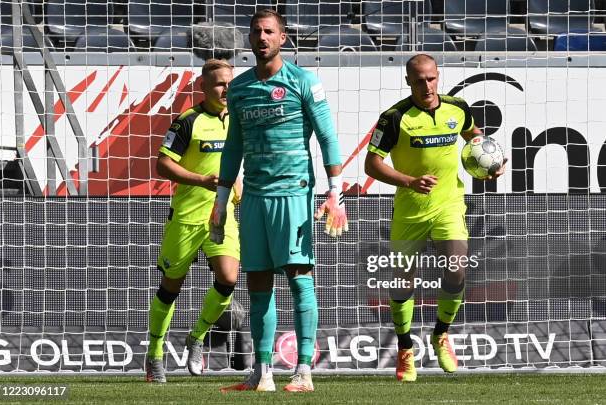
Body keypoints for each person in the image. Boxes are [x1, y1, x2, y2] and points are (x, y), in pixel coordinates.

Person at [209, 9, 348, 393]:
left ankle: (304, 371)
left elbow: (327, 137)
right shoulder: (238, 89)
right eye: (256, 31)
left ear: (283, 37)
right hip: (253, 196)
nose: (262, 37)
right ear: (249, 39)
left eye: (269, 31)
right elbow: (233, 146)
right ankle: (263, 371)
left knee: (299, 276)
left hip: (293, 194)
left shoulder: (303, 82)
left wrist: (335, 193)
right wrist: (221, 200)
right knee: (257, 282)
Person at [364, 54, 506, 382]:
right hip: (410, 210)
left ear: (438, 76)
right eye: (418, 80)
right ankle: (404, 349)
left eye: (431, 79)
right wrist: (409, 181)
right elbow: (372, 165)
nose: (426, 86)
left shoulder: (457, 107)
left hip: (448, 205)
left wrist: (490, 161)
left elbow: (474, 136)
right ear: (408, 81)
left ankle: (441, 334)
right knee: (403, 281)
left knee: (456, 270)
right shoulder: (394, 118)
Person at [145, 59, 241, 383]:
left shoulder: (239, 120)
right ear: (203, 88)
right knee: (171, 288)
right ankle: (155, 354)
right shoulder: (187, 122)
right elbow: (162, 165)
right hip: (186, 217)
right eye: (219, 84)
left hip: (220, 215)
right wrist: (201, 180)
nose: (226, 89)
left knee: (228, 278)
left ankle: (197, 336)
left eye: (230, 82)